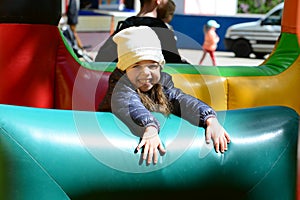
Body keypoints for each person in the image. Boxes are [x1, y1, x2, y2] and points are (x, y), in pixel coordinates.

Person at [98, 26, 230, 165]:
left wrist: (209, 118)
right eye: (136, 66)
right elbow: (129, 103)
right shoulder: (120, 85)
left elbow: (180, 99)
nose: (146, 73)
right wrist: (149, 127)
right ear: (124, 69)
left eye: (153, 65)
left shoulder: (161, 83)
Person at [95, 0, 188, 64]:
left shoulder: (125, 26)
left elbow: (100, 61)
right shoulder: (161, 31)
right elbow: (175, 66)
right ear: (157, 1)